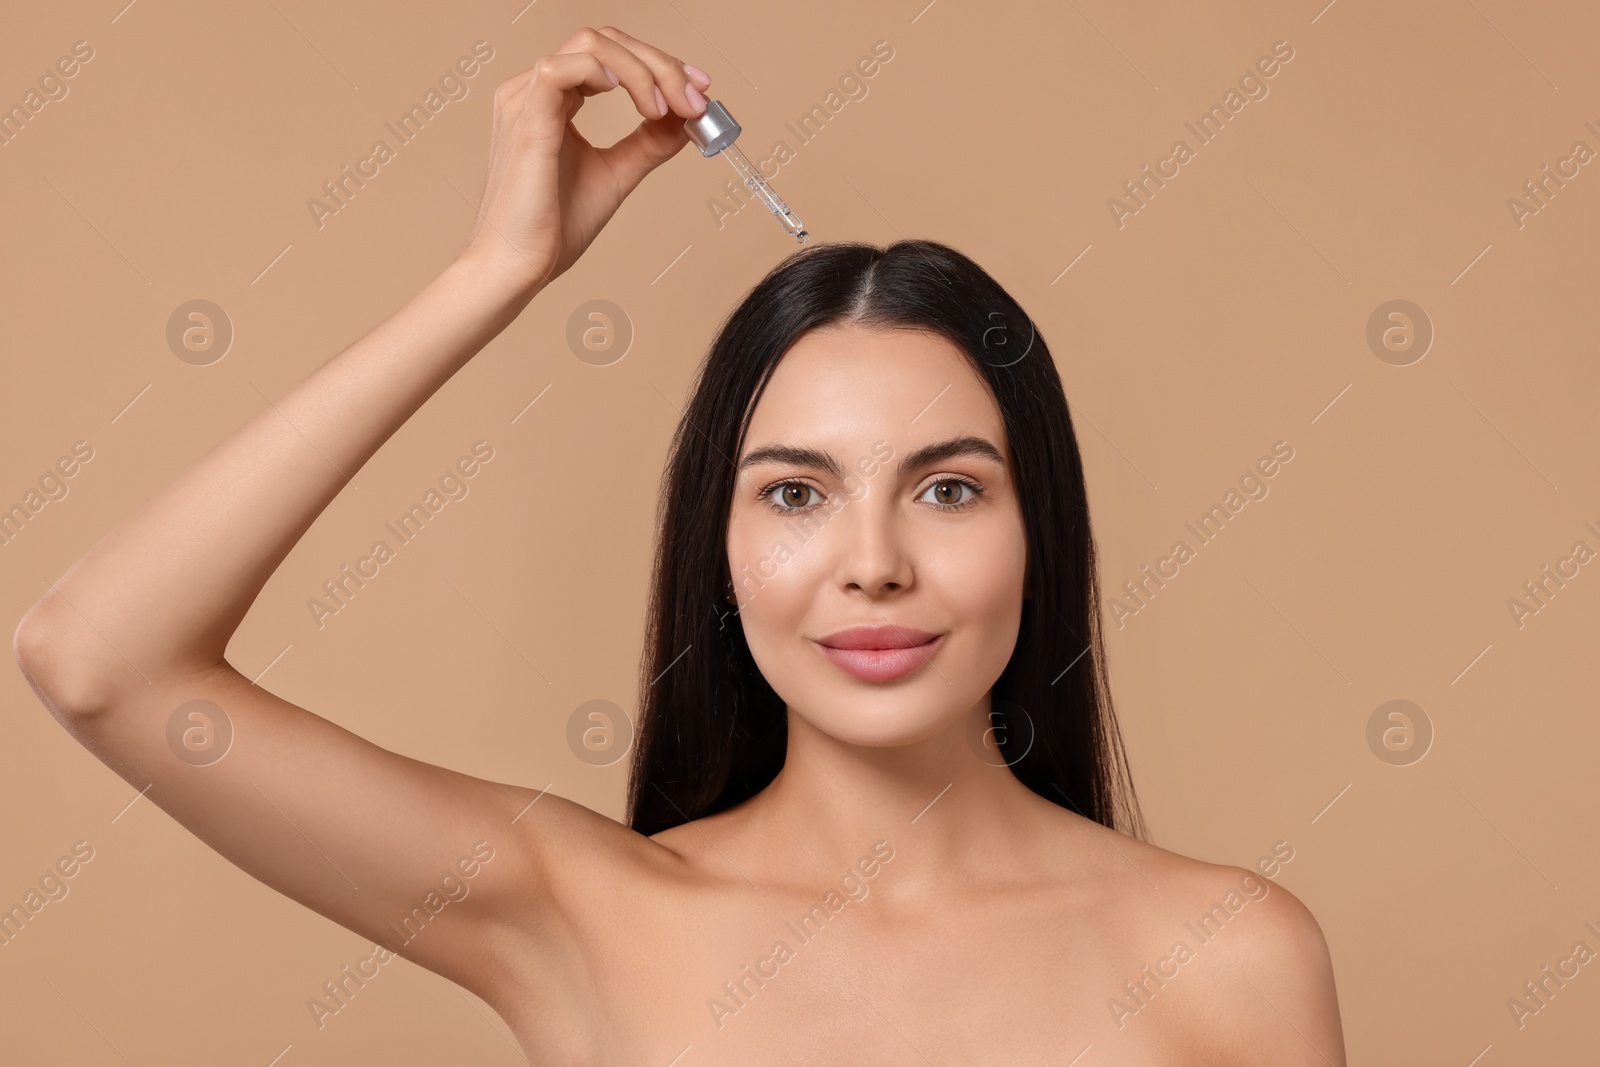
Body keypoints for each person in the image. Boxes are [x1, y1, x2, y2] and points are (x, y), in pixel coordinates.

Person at [11, 25, 1346, 1064]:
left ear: (1039, 530)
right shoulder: (586, 913)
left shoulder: (1231, 953)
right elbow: (100, 661)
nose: (869, 562)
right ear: (717, 549)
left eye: (946, 490)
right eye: (795, 494)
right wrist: (499, 269)